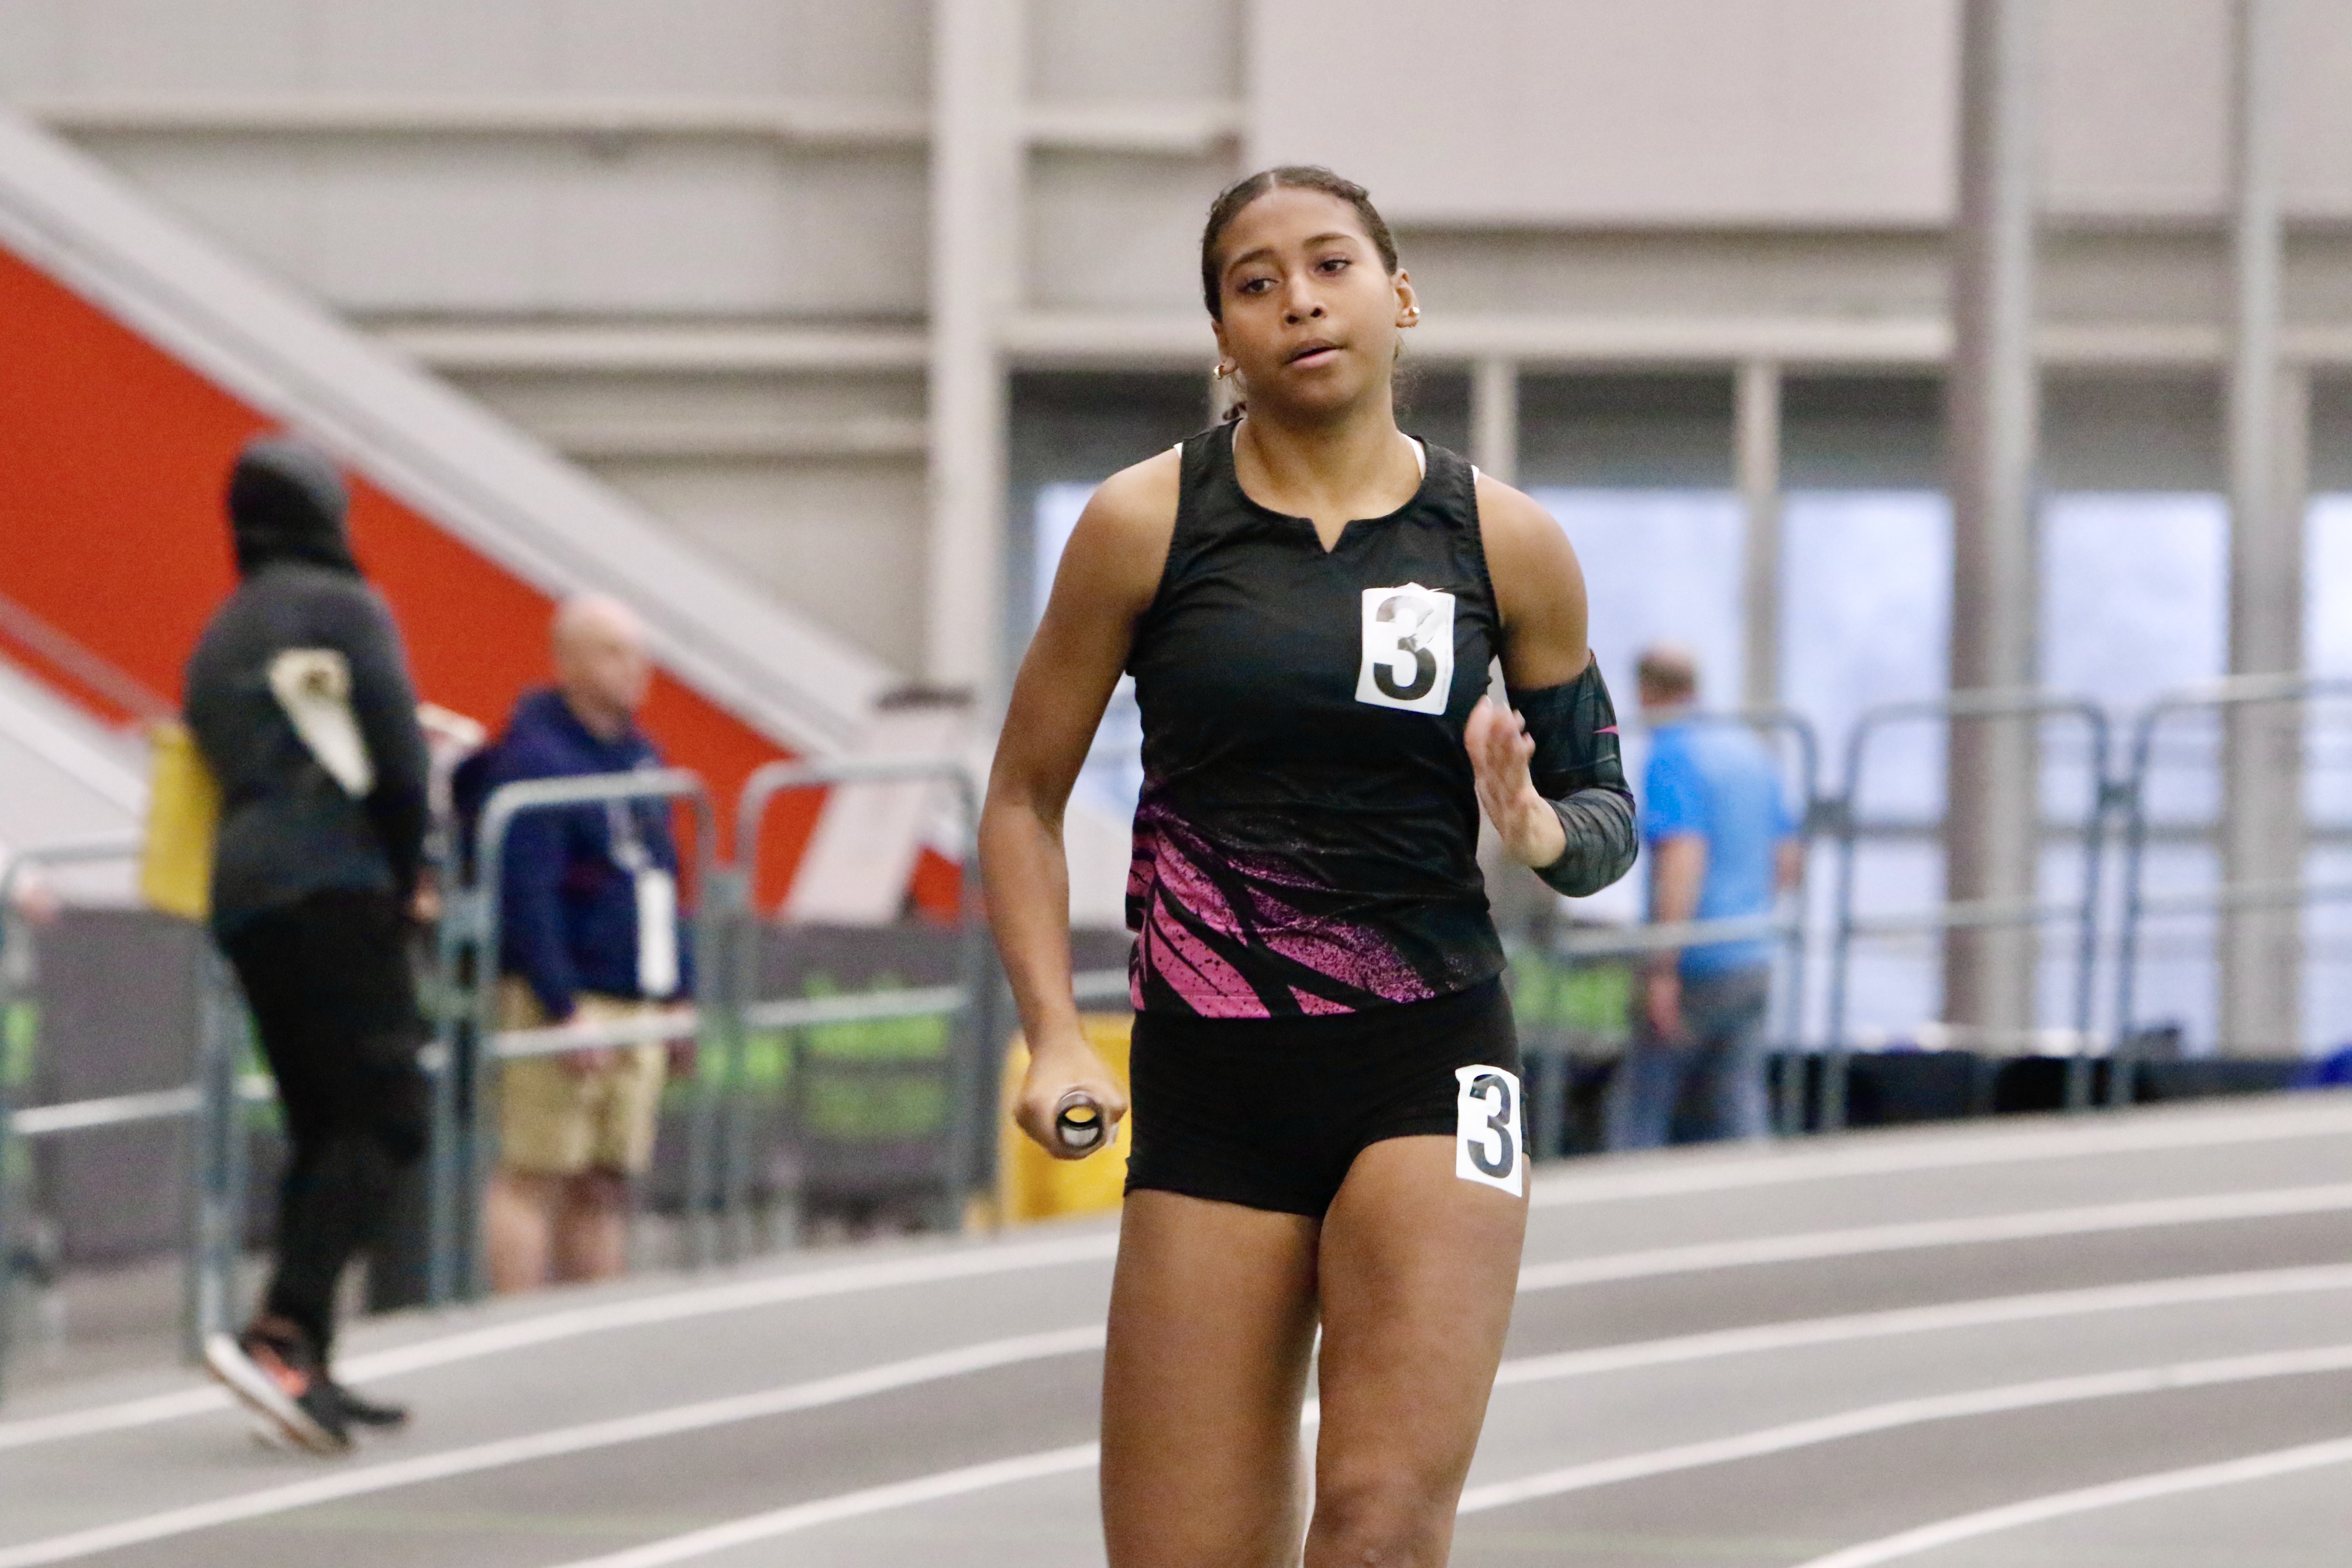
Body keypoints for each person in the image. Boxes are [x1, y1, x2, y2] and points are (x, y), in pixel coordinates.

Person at [981, 166, 1637, 1568]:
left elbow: (1604, 819)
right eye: (1255, 281)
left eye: (1330, 265)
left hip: (1433, 1057)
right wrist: (1051, 1038)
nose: (1298, 300)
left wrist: (1535, 834)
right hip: (1213, 1079)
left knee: (1382, 1517)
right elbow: (1023, 799)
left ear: (1398, 300)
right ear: (1225, 337)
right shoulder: (1142, 525)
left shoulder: (1505, 542)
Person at [187, 434, 430, 1453]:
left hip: (244, 890)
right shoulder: (343, 607)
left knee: (324, 1123)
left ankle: (308, 1361)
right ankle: (284, 1331)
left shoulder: (227, 627)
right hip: (333, 883)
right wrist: (414, 869)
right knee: (387, 1117)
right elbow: (398, 755)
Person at [472, 594, 692, 1292]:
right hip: (567, 1001)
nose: (634, 669)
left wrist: (679, 988)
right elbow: (525, 898)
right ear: (565, 662)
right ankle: (518, 1324)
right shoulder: (533, 760)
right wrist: (562, 1008)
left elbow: (662, 880)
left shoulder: (640, 756)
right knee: (536, 1170)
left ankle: (594, 1321)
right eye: (612, 652)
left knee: (606, 1178)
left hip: (638, 997)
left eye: (638, 652)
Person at [1606, 644, 1802, 1149]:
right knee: (1738, 1107)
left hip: (1697, 962)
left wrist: (1663, 966)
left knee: (1641, 1109)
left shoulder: (1674, 752)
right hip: (1752, 951)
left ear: (1646, 691)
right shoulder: (1749, 747)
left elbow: (1682, 859)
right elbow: (1787, 861)